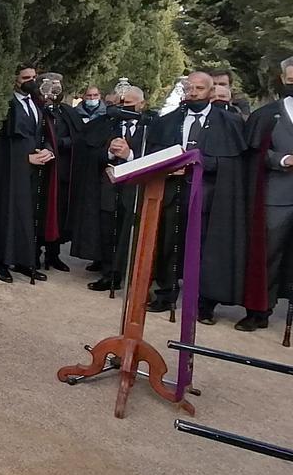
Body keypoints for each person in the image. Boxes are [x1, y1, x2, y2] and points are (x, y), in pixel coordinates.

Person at [147, 72, 248, 323]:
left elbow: (233, 162)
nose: (193, 93)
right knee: (169, 244)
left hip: (209, 199)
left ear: (211, 92)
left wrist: (198, 162)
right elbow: (155, 152)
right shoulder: (167, 121)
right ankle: (165, 294)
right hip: (173, 192)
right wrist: (170, 164)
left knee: (205, 251)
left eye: (199, 89)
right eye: (189, 88)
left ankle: (205, 304)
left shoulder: (229, 123)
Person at [0, 65, 54, 283]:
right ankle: (2, 262)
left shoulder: (36, 104)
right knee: (7, 213)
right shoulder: (6, 104)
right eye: (26, 78)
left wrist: (47, 150)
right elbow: (0, 143)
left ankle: (25, 261)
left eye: (34, 77)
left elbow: (41, 133)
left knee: (27, 217)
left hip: (33, 171)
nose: (31, 81)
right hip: (8, 172)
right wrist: (24, 158)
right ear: (15, 80)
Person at [72, 86, 154, 291]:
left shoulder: (151, 127)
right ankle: (109, 273)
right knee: (107, 229)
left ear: (141, 104)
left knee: (130, 232)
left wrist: (129, 156)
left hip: (136, 190)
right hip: (109, 187)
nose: (123, 108)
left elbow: (156, 157)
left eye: (129, 104)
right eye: (120, 103)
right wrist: (109, 153)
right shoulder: (108, 125)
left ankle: (129, 272)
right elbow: (90, 154)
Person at [237, 57, 293, 332]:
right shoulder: (269, 114)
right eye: (291, 79)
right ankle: (259, 310)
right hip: (276, 197)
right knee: (267, 255)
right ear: (283, 79)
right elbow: (254, 153)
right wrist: (281, 160)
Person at [36, 72, 80, 272]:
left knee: (58, 214)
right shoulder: (38, 110)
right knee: (38, 213)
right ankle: (33, 254)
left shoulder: (67, 112)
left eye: (58, 85)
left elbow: (79, 138)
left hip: (62, 172)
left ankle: (53, 255)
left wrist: (62, 143)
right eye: (50, 85)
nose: (54, 89)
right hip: (40, 172)